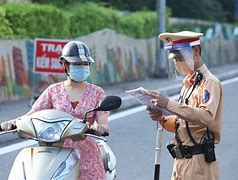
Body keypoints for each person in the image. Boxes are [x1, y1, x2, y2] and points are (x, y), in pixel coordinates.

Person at [0, 41, 109, 179]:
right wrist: (13, 122)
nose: (82, 67)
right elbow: (31, 116)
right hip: (55, 150)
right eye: (76, 64)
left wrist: (99, 127)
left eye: (85, 64)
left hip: (86, 154)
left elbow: (104, 124)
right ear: (64, 65)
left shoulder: (97, 92)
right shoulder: (53, 91)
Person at [146, 31, 223, 180]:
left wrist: (168, 104)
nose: (177, 63)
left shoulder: (209, 83)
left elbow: (206, 117)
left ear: (196, 51)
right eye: (175, 59)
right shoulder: (189, 84)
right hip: (180, 162)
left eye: (180, 58)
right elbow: (181, 124)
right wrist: (161, 118)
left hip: (200, 162)